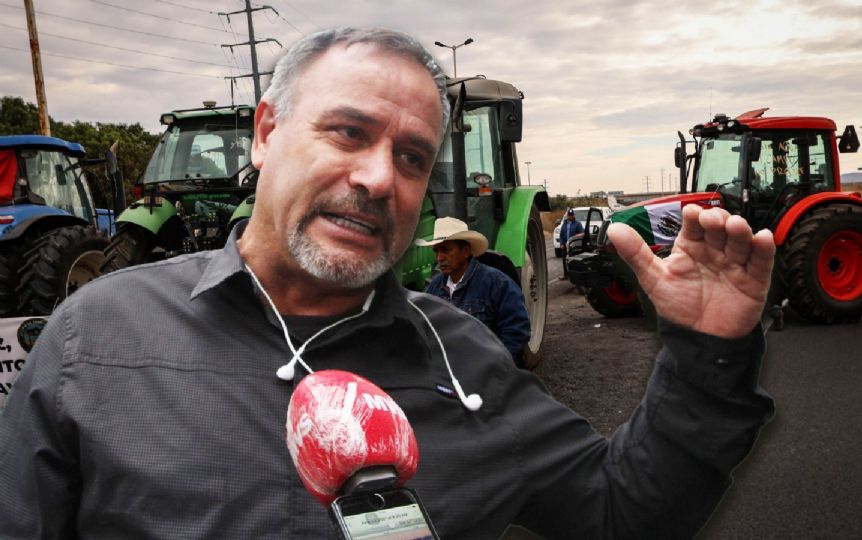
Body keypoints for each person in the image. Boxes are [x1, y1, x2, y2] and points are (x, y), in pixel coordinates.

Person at [0, 27, 775, 539]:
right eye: (348, 132)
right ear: (266, 133)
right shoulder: (95, 339)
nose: (379, 178)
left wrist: (707, 355)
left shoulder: (465, 364)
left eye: (412, 158)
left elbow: (622, 511)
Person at [418, 217, 531, 364]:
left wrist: (492, 364)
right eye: (436, 251)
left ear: (465, 251)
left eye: (446, 250)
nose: (439, 257)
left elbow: (517, 330)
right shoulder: (434, 288)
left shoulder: (497, 283)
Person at [558, 207, 584, 279]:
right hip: (565, 246)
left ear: (574, 215)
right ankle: (566, 275)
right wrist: (561, 244)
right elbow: (561, 235)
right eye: (569, 215)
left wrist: (576, 236)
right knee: (564, 260)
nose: (571, 216)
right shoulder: (564, 224)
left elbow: (582, 233)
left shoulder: (578, 224)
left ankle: (575, 276)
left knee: (573, 260)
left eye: (572, 215)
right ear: (567, 215)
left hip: (573, 246)